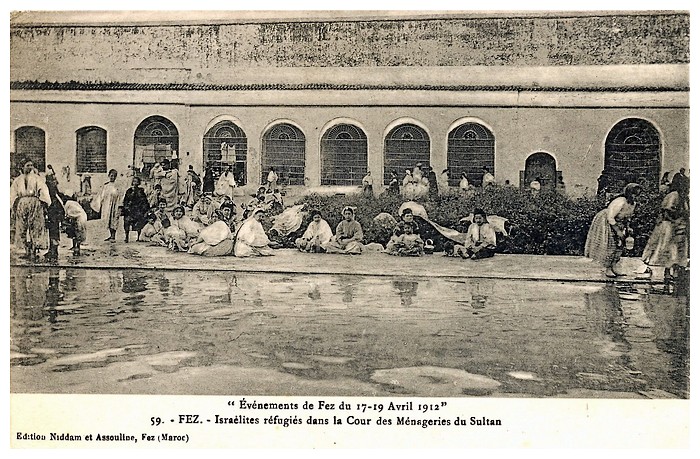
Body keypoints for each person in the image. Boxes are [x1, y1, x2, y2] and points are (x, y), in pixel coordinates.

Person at [584, 183, 643, 278]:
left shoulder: (633, 204)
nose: (635, 197)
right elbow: (610, 217)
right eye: (633, 194)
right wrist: (618, 231)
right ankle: (608, 268)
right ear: (628, 193)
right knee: (610, 243)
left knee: (620, 245)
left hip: (619, 222)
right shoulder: (620, 201)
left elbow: (627, 217)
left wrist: (628, 228)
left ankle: (614, 266)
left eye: (637, 195)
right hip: (607, 221)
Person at [642, 180, 689, 290]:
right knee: (668, 248)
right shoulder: (674, 195)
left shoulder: (684, 197)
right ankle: (667, 272)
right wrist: (675, 221)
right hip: (669, 225)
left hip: (680, 226)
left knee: (678, 249)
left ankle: (675, 272)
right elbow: (667, 212)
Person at [91, 168, 122, 242]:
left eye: (114, 176)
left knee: (114, 219)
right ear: (108, 176)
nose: (112, 177)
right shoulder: (106, 186)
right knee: (108, 219)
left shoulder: (118, 185)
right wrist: (98, 204)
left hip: (115, 204)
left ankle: (113, 236)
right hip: (107, 204)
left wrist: (120, 205)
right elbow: (101, 195)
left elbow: (120, 195)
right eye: (111, 176)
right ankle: (111, 235)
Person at [122, 176, 151, 243]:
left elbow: (144, 201)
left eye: (137, 181)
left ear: (139, 183)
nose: (135, 183)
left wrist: (144, 209)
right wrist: (126, 208)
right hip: (130, 210)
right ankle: (126, 236)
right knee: (126, 221)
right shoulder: (129, 191)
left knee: (140, 220)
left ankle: (138, 236)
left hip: (138, 209)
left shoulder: (141, 191)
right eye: (134, 181)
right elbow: (125, 200)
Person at [43, 173, 65, 262]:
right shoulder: (53, 189)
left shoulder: (49, 188)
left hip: (53, 211)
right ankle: (53, 250)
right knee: (54, 232)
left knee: (53, 232)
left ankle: (53, 251)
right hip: (55, 211)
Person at [62, 190, 88, 255]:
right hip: (81, 217)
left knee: (77, 232)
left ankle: (77, 247)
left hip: (79, 218)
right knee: (76, 231)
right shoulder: (74, 202)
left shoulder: (68, 203)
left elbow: (65, 214)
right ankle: (75, 246)